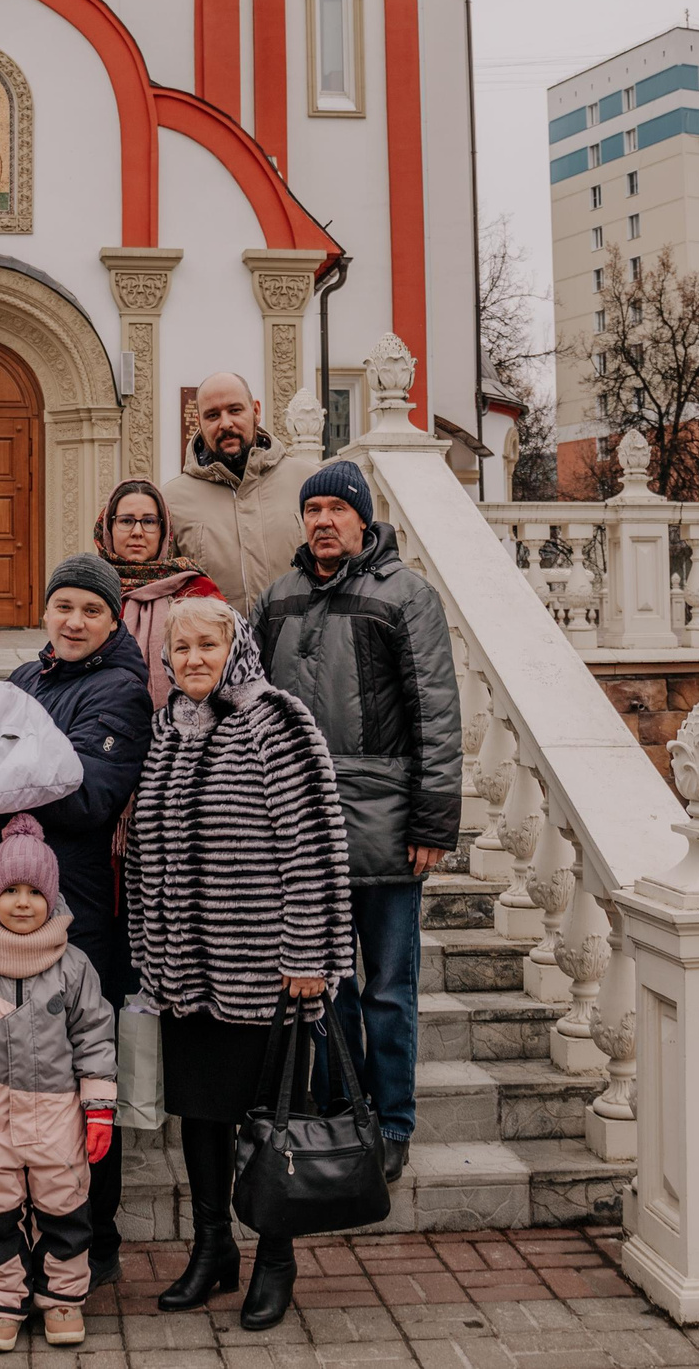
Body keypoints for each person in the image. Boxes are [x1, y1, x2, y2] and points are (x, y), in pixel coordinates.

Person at [124, 593, 351, 1332]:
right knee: (201, 1113)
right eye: (180, 647)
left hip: (265, 970)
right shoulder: (168, 728)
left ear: (236, 650)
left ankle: (275, 1259)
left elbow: (313, 842)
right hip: (188, 968)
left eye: (206, 646)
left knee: (269, 1121)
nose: (193, 659)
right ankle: (213, 1247)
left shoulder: (273, 720)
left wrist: (310, 952)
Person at [253, 460, 464, 1185]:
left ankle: (394, 1119)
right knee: (326, 986)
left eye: (337, 509)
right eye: (312, 509)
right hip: (303, 834)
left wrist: (434, 821)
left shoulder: (406, 595)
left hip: (385, 830)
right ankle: (345, 1112)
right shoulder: (277, 597)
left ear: (362, 519)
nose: (322, 520)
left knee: (387, 989)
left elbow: (437, 713)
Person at [0, 554, 149, 1284]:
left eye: (89, 610)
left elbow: (88, 795)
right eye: (62, 605)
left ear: (112, 619)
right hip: (9, 910)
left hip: (79, 915)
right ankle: (25, 1229)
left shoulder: (123, 691)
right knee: (16, 1076)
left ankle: (93, 1239)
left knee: (82, 1078)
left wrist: (2, 766)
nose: (72, 620)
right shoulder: (29, 681)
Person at [0, 815, 118, 1353]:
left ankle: (61, 1298)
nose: (23, 902)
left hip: (58, 1119)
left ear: (52, 899)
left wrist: (99, 1107)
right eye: (11, 890)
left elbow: (96, 1038)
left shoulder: (74, 967)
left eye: (36, 892)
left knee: (66, 1210)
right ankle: (1, 1302)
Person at [162, 371, 321, 613]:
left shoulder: (307, 481)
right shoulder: (171, 500)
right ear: (199, 422)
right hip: (218, 648)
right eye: (212, 415)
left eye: (235, 410)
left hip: (300, 646)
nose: (225, 423)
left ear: (256, 411)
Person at [92, 478, 225, 710]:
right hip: (102, 718)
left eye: (149, 521)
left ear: (164, 530)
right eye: (126, 521)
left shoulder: (193, 587)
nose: (137, 532)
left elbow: (226, 657)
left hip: (187, 724)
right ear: (108, 528)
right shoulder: (90, 586)